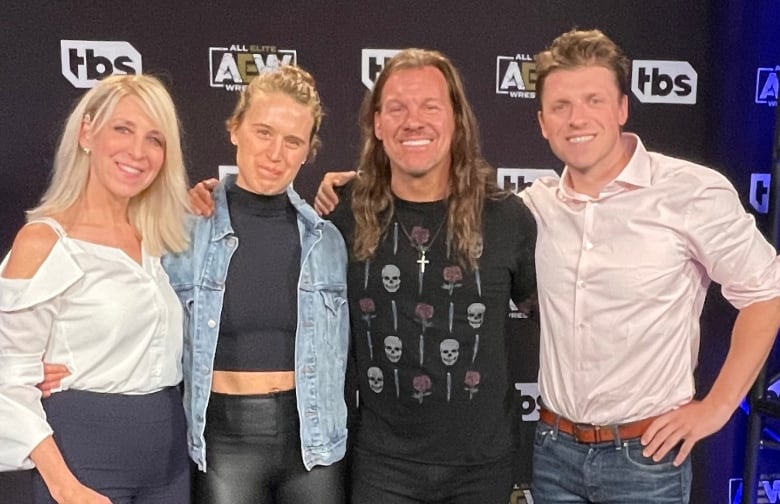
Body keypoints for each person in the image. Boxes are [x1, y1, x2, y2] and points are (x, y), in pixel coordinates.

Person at [520, 28, 780, 503]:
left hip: (646, 459)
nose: (577, 118)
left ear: (622, 108)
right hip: (552, 453)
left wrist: (718, 408)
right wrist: (354, 187)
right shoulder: (533, 207)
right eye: (560, 106)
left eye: (593, 100)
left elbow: (766, 294)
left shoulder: (690, 192)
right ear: (542, 122)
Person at [283, 48, 537, 503]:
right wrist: (211, 198)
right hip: (382, 466)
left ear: (456, 120)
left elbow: (555, 314)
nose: (412, 121)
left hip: (483, 467)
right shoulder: (342, 214)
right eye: (397, 108)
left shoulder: (507, 218)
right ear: (377, 125)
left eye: (429, 107)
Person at [0, 74, 191, 504]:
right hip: (84, 459)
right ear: (87, 131)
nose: (138, 152)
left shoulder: (159, 241)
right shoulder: (45, 241)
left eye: (155, 139)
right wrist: (64, 487)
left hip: (169, 459)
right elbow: (8, 380)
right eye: (123, 129)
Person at [164, 65, 349, 504]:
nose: (275, 153)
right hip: (223, 442)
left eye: (293, 141)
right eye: (264, 132)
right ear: (235, 130)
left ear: (308, 151)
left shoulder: (329, 240)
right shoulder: (185, 230)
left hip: (313, 441)